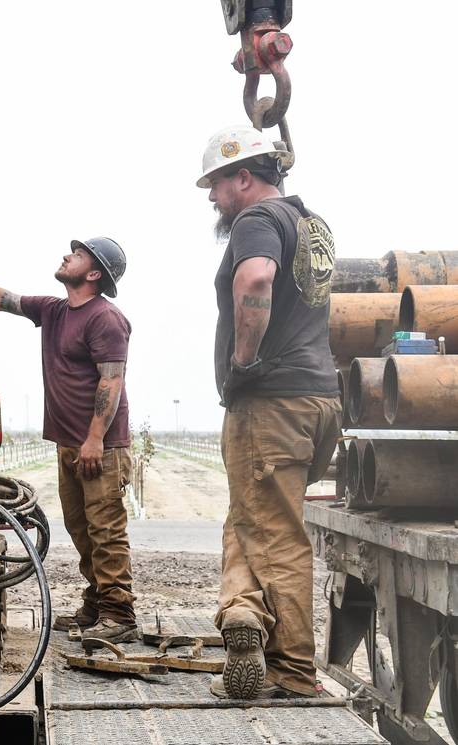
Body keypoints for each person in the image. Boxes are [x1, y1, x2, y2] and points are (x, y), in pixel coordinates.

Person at [0, 237, 138, 642]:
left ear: (94, 273)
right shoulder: (55, 310)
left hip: (101, 446)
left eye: (77, 255)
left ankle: (120, 615)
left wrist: (95, 437)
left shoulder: (105, 318)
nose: (67, 256)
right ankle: (97, 603)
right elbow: (1, 298)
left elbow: (112, 380)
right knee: (81, 528)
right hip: (72, 444)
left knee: (105, 529)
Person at [199, 125, 341, 700]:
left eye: (215, 184)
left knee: (277, 531)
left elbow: (256, 278)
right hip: (318, 397)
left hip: (272, 402)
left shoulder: (256, 222)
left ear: (243, 177)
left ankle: (292, 671)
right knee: (252, 515)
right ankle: (244, 613)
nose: (212, 197)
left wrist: (243, 360)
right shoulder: (312, 225)